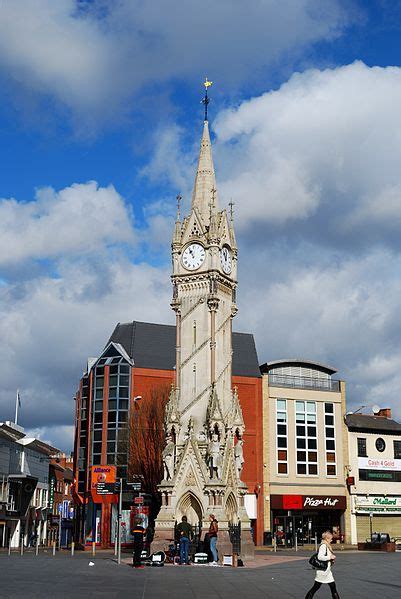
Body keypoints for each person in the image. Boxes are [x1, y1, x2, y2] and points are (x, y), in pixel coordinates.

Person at [305, 530, 340, 599]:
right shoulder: (323, 546)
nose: (332, 540)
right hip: (322, 572)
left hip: (327, 571)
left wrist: (331, 560)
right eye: (330, 538)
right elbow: (320, 557)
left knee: (333, 587)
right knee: (316, 587)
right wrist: (330, 557)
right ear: (326, 538)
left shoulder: (327, 546)